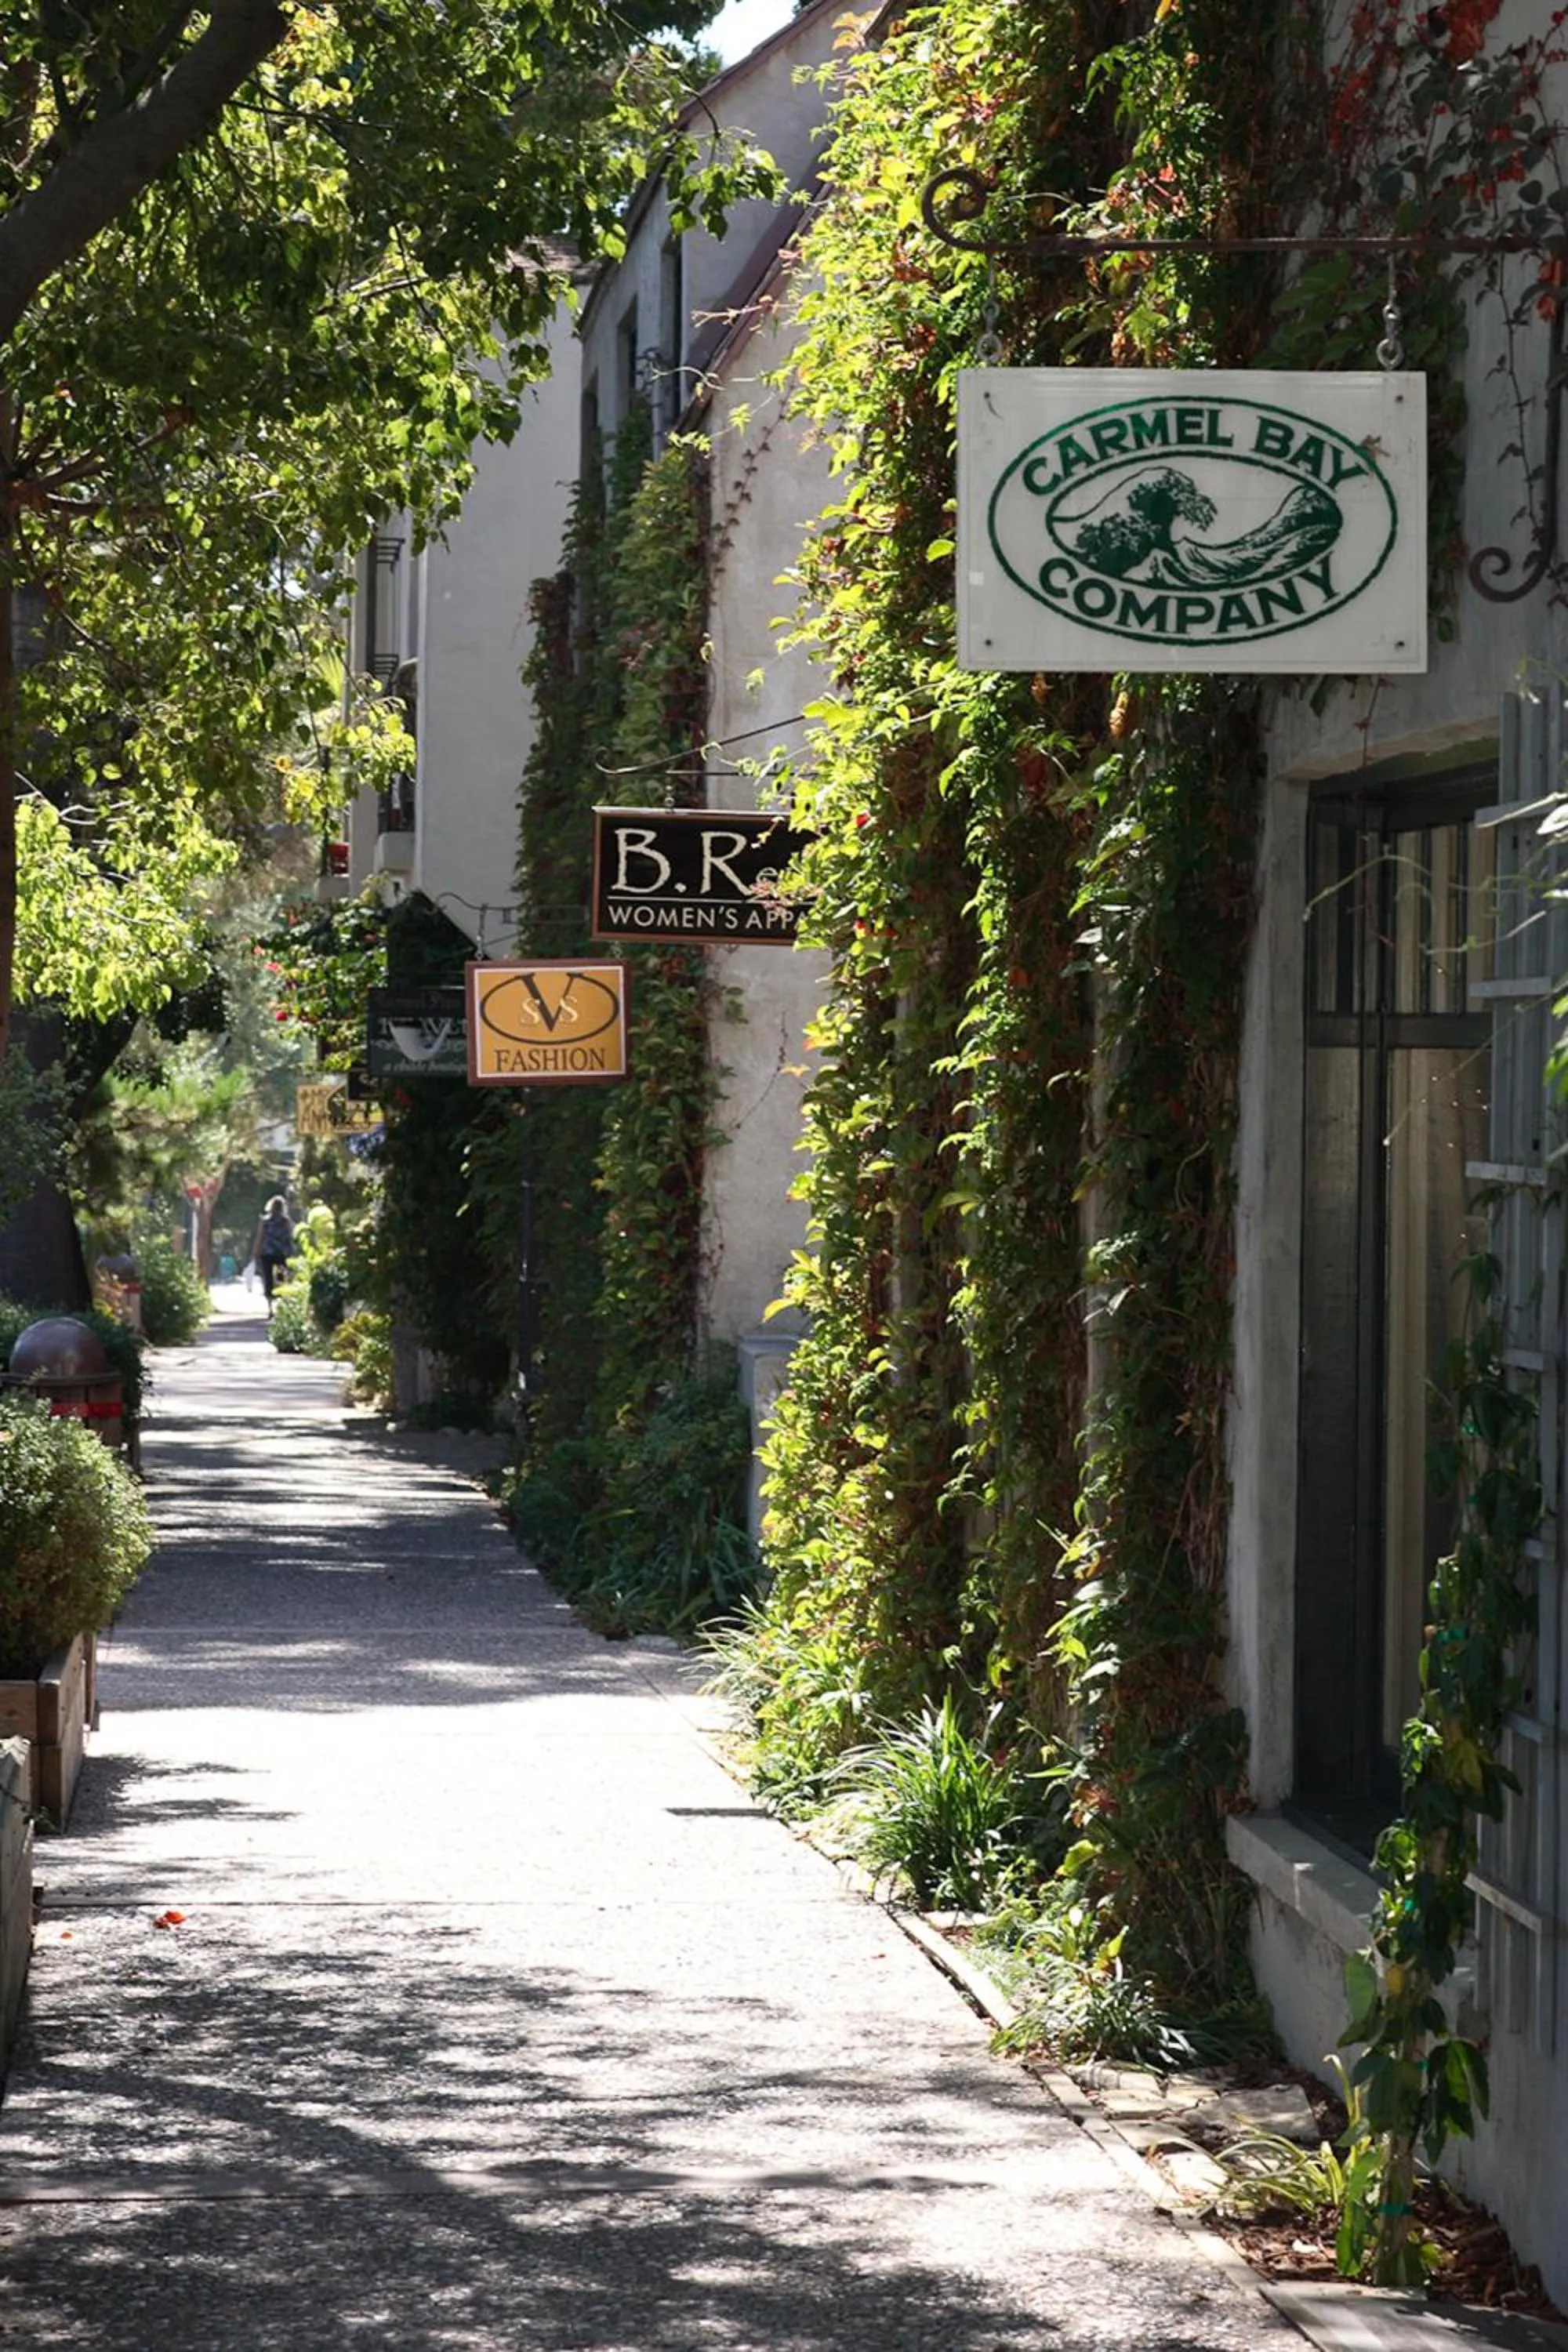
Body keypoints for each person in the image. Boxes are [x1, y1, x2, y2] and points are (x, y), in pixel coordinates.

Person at [252, 1196, 294, 1318]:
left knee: (268, 1279)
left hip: (267, 1253)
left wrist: (255, 1252)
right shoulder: (286, 1221)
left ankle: (270, 1307)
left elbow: (260, 1237)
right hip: (282, 1253)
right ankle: (281, 1305)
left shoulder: (265, 1221)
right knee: (282, 1278)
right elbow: (290, 1236)